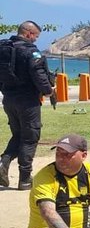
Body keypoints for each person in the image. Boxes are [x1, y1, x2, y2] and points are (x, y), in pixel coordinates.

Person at [0, 21, 54, 190]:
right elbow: (38, 74)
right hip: (28, 102)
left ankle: (3, 162)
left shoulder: (3, 48)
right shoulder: (31, 51)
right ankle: (25, 179)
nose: (36, 40)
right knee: (30, 138)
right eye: (36, 36)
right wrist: (48, 91)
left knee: (18, 135)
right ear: (29, 33)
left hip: (9, 98)